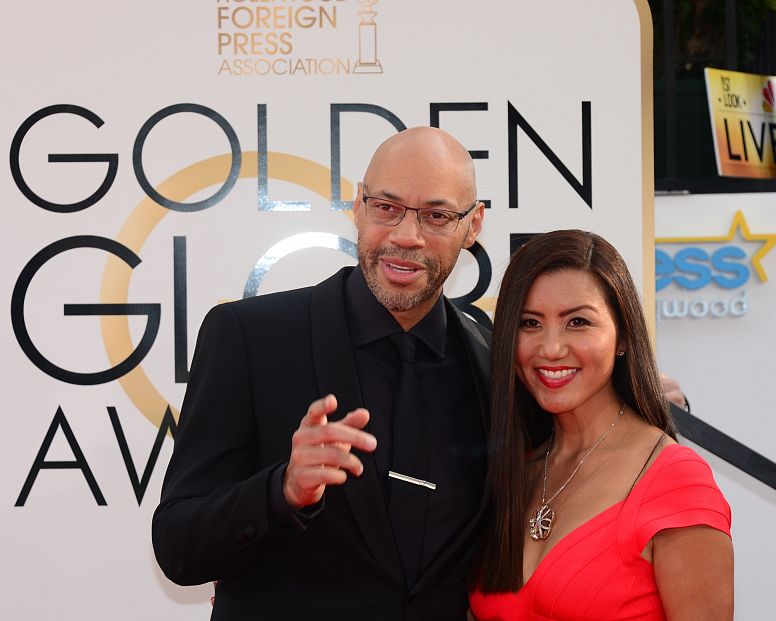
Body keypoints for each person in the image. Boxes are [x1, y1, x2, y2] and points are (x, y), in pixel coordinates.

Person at [152, 127, 491, 620]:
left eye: (437, 216)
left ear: (473, 225)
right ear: (358, 204)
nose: (405, 236)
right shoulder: (251, 338)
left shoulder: (492, 364)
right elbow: (179, 546)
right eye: (386, 207)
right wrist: (283, 491)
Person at [469, 230, 733, 620]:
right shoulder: (517, 468)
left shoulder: (675, 480)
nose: (552, 348)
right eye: (530, 323)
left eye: (577, 321)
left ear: (623, 336)